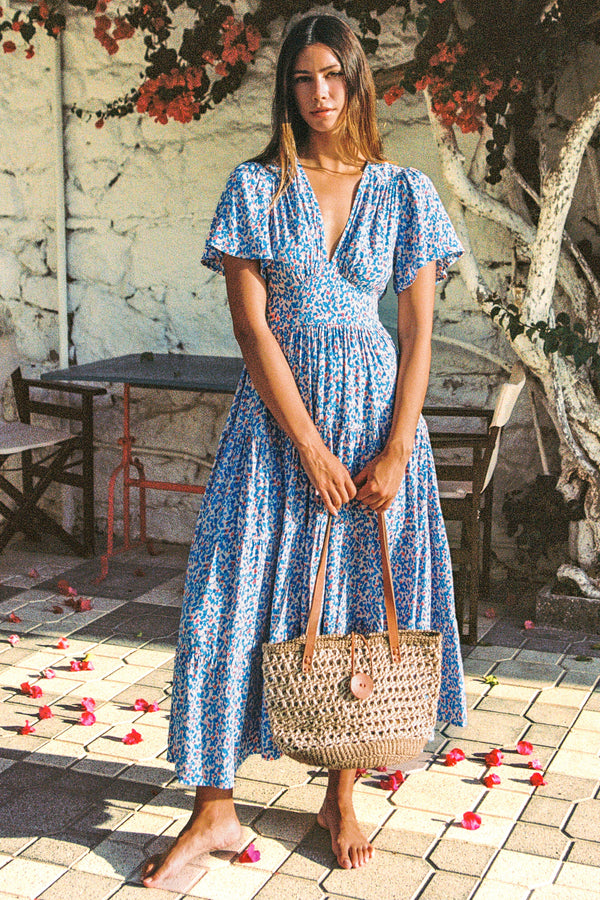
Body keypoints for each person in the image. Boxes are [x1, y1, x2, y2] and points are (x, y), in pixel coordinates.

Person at [142, 12, 467, 887]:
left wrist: (396, 447)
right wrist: (310, 448)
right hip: (276, 430)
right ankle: (214, 809)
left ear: (358, 81)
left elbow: (419, 333)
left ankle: (341, 791)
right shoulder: (255, 188)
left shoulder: (405, 193)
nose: (319, 94)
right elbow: (251, 328)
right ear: (286, 88)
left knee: (361, 609)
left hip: (374, 427)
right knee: (226, 597)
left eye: (333, 75)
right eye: (301, 78)